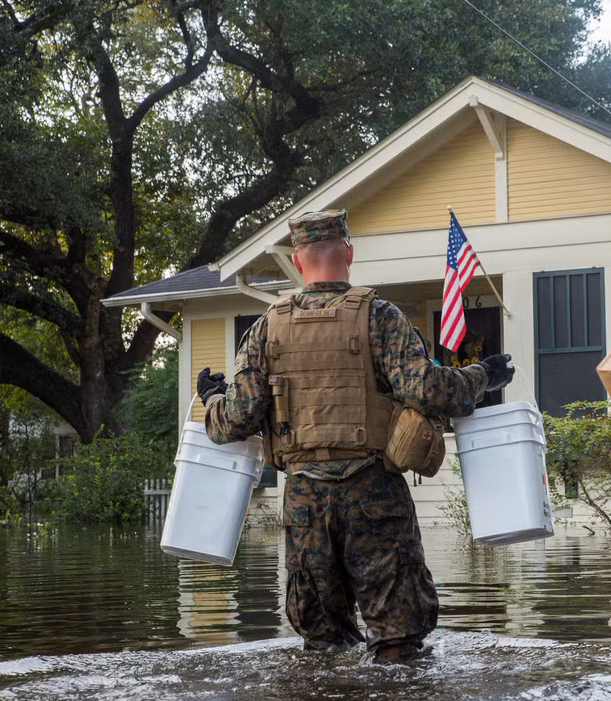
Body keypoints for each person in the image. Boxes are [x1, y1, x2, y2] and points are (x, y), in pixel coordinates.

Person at [196, 209, 514, 663]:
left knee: (323, 647)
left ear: (298, 263)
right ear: (348, 253)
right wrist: (483, 375)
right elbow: (427, 390)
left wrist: (212, 398)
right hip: (374, 493)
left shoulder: (266, 328)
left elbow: (235, 420)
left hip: (304, 501)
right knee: (398, 640)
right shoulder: (381, 317)